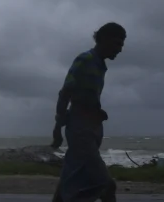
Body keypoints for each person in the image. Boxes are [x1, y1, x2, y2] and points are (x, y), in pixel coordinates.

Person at [50, 22, 126, 202]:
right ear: (103, 39)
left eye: (121, 45)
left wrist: (97, 111)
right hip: (80, 130)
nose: (120, 50)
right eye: (117, 44)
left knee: (69, 181)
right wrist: (57, 127)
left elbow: (84, 96)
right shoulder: (85, 59)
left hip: (90, 128)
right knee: (106, 184)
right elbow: (66, 92)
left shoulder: (100, 65)